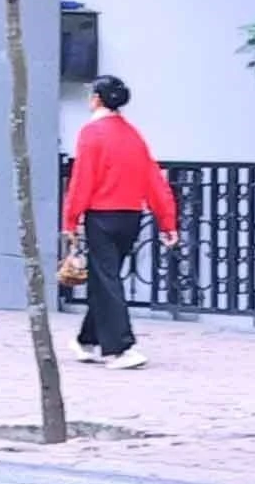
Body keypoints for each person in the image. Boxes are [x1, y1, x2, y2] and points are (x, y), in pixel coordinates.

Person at [64, 75, 179, 370]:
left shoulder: (91, 133)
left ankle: (120, 348)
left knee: (107, 280)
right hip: (131, 216)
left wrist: (70, 219)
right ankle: (86, 340)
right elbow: (153, 180)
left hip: (101, 215)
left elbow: (82, 180)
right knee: (108, 279)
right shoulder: (133, 134)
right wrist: (167, 222)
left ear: (97, 99)